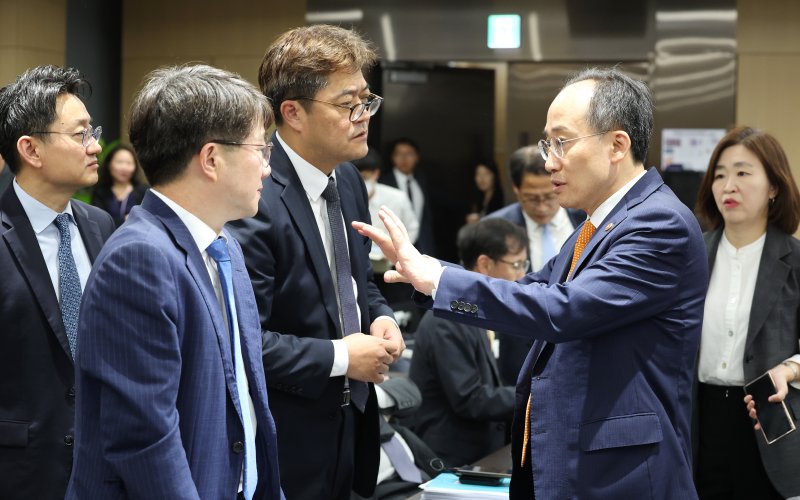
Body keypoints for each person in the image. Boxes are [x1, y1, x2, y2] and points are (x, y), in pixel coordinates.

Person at [355, 67, 708, 499]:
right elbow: (532, 290)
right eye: (547, 143)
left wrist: (440, 279)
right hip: (576, 462)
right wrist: (427, 272)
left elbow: (562, 309)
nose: (548, 160)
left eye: (562, 142)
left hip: (622, 475)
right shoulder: (597, 225)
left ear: (617, 145)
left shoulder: (658, 223)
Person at [66, 64, 282, 500]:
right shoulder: (139, 258)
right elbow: (146, 438)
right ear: (211, 159)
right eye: (261, 150)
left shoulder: (226, 246)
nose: (266, 169)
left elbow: (244, 396)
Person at [226, 25, 403, 500]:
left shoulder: (346, 180)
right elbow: (243, 341)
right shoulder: (254, 196)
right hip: (287, 436)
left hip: (352, 421)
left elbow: (351, 280)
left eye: (367, 100)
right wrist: (344, 356)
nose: (364, 116)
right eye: (348, 105)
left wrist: (381, 316)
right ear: (292, 113)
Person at [0, 65, 115, 499]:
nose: (96, 146)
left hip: (103, 462)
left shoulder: (100, 224)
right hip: (20, 471)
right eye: (81, 134)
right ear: (30, 149)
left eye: (94, 131)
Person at [693, 126, 800, 499]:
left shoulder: (795, 259)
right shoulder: (690, 257)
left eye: (742, 173)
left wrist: (789, 369)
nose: (728, 186)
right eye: (719, 175)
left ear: (774, 186)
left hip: (767, 420)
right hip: (698, 420)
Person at [410, 218, 521, 466]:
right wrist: (531, 395)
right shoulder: (448, 318)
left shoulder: (474, 310)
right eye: (516, 264)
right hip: (449, 458)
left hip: (480, 452)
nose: (522, 274)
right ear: (484, 264)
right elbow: (469, 399)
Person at [485, 145, 584, 384]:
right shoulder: (494, 227)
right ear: (516, 189)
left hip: (578, 344)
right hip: (518, 348)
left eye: (549, 196)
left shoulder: (585, 219)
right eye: (531, 198)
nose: (542, 207)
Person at [353, 147, 419, 259]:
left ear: (376, 174)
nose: (360, 182)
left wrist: (397, 251)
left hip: (389, 261)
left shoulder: (397, 197)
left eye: (364, 177)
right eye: (355, 178)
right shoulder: (342, 196)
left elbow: (412, 228)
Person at [379, 137, 435, 255]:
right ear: (392, 157)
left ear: (417, 157)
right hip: (392, 248)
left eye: (409, 154)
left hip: (421, 248)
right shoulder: (383, 182)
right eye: (398, 154)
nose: (404, 159)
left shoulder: (421, 180)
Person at [90, 144, 148, 226]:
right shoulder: (100, 192)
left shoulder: (144, 191)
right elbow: (96, 221)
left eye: (129, 163)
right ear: (109, 164)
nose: (124, 167)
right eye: (119, 162)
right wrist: (125, 219)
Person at [464, 160, 504, 224]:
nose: (482, 178)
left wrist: (480, 220)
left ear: (494, 176)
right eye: (478, 174)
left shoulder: (502, 200)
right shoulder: (476, 200)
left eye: (486, 173)